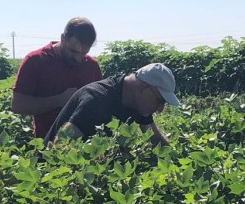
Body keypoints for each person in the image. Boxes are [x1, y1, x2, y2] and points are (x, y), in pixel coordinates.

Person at [11, 17, 103, 140]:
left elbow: (100, 103)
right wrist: (59, 100)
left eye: (83, 53)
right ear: (63, 38)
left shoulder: (91, 65)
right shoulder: (36, 60)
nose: (78, 58)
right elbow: (18, 105)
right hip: (48, 148)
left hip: (86, 148)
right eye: (73, 51)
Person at [45, 63, 179, 146]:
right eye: (160, 101)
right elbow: (60, 146)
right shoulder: (96, 100)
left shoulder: (139, 104)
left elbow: (155, 140)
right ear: (142, 90)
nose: (160, 109)